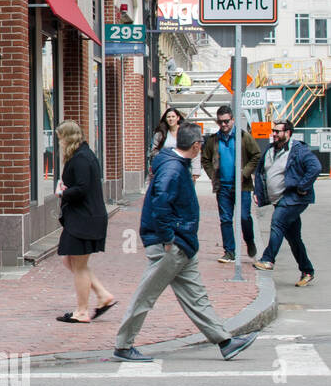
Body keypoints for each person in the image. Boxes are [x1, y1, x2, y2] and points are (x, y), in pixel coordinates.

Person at [114, 122, 258, 362]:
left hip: (182, 243)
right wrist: (168, 238)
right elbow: (161, 204)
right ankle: (123, 345)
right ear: (195, 145)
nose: (202, 147)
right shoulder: (173, 169)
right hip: (172, 245)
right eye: (200, 144)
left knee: (196, 295)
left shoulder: (173, 164)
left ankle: (225, 341)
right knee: (146, 295)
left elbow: (162, 202)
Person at [53, 120, 116, 323]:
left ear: (67, 138)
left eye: (60, 138)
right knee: (69, 259)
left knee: (79, 265)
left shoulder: (81, 158)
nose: (59, 142)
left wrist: (63, 192)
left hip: (85, 219)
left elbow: (82, 188)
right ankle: (103, 294)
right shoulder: (83, 154)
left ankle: (82, 311)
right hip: (84, 217)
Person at [253, 119, 320, 286]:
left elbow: (315, 167)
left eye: (278, 131)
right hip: (278, 199)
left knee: (277, 223)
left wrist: (302, 186)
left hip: (292, 199)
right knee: (294, 238)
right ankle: (307, 271)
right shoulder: (270, 150)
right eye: (273, 131)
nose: (274, 134)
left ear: (288, 133)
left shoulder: (298, 150)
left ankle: (268, 260)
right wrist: (258, 193)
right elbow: (261, 172)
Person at [200, 105, 261, 262]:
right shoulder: (213, 140)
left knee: (244, 217)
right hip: (223, 187)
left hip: (242, 186)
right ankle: (229, 251)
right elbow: (205, 159)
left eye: (226, 121)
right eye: (220, 122)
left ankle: (249, 241)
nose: (224, 125)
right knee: (226, 219)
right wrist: (213, 175)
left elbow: (256, 155)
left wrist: (245, 173)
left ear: (233, 120)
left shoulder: (243, 137)